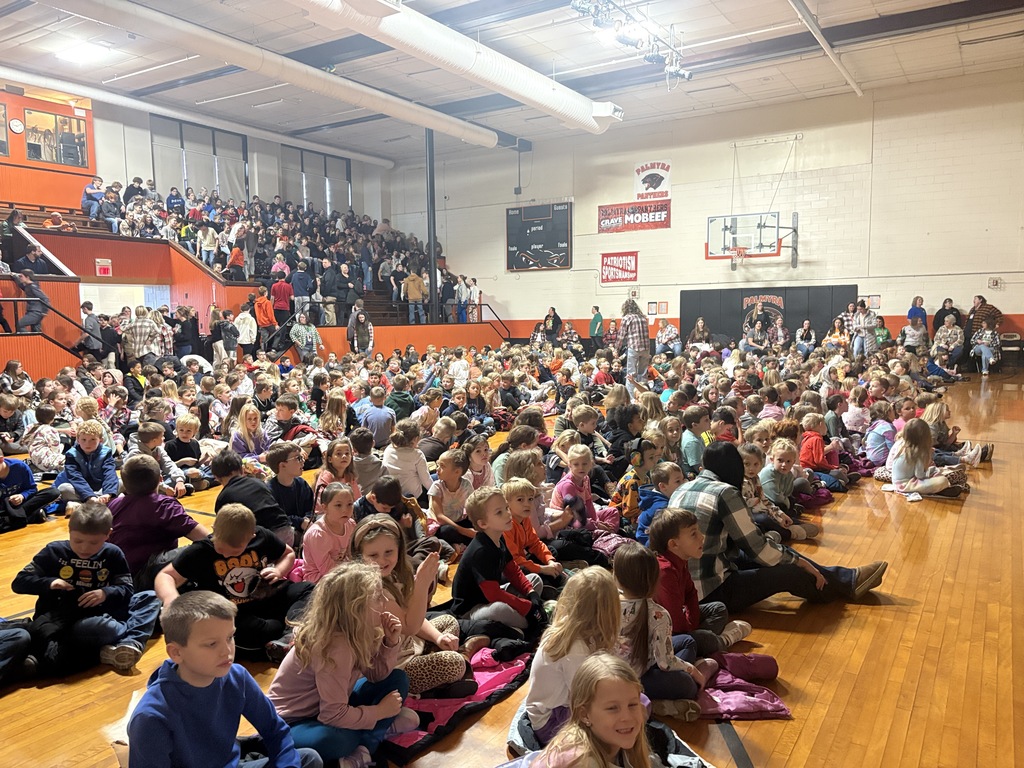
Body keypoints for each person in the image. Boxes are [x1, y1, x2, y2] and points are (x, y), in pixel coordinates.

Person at [671, 441, 888, 614]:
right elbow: (757, 548)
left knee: (782, 553)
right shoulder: (725, 492)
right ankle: (839, 586)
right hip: (709, 591)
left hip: (686, 586)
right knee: (789, 569)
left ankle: (845, 580)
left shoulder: (683, 489)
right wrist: (800, 562)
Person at [127, 591, 323, 768]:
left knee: (308, 758)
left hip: (231, 761)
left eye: (230, 637)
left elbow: (275, 730)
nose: (226, 651)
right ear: (176, 653)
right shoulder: (151, 716)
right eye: (211, 644)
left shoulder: (237, 676)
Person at [267, 561, 416, 763]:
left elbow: (377, 676)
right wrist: (380, 711)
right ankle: (368, 741)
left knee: (397, 679)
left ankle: (362, 746)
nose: (385, 600)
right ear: (355, 608)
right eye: (377, 597)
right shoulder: (334, 645)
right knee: (340, 739)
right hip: (293, 722)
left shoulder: (358, 631)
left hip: (327, 705)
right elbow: (333, 715)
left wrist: (390, 643)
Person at [12, 500, 160, 675]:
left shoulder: (113, 553)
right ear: (69, 531)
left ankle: (129, 644)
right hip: (70, 622)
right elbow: (19, 582)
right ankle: (129, 636)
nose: (84, 548)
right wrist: (50, 583)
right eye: (78, 540)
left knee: (151, 596)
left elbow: (127, 589)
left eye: (93, 543)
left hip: (102, 613)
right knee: (102, 628)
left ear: (108, 535)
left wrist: (105, 593)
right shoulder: (53, 551)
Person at [154, 503, 313, 659]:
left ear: (252, 536)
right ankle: (287, 633)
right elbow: (165, 575)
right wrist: (170, 599)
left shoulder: (262, 536)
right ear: (214, 531)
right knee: (249, 632)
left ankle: (288, 635)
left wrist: (279, 570)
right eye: (220, 549)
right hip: (234, 612)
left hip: (265, 596)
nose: (226, 554)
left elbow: (288, 553)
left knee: (308, 590)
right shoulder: (201, 550)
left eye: (235, 551)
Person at [352, 514, 476, 697]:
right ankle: (428, 688)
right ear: (359, 556)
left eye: (388, 552)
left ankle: (437, 665)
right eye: (373, 555)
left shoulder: (393, 575)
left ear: (399, 549)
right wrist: (421, 584)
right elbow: (410, 626)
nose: (382, 561)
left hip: (408, 645)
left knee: (449, 622)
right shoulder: (372, 591)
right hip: (392, 667)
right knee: (454, 664)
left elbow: (414, 619)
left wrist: (438, 638)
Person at [522, 567, 620, 745]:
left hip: (556, 709)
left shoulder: (573, 630)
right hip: (552, 721)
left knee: (632, 704)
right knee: (619, 716)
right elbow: (584, 697)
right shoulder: (575, 648)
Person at [612, 542, 709, 716]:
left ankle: (646, 700)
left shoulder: (608, 603)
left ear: (616, 576)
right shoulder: (658, 614)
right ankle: (652, 704)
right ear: (655, 579)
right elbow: (666, 663)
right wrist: (691, 669)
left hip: (612, 674)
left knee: (687, 641)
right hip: (635, 680)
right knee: (688, 684)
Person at [649, 507, 752, 659]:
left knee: (718, 608)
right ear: (673, 544)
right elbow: (675, 624)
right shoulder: (665, 571)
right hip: (663, 634)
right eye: (693, 534)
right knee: (703, 638)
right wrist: (692, 630)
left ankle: (707, 644)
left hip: (677, 624)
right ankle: (721, 641)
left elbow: (691, 594)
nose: (702, 537)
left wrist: (693, 623)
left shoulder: (680, 561)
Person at [450, 486, 547, 635]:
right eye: (499, 512)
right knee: (500, 610)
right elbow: (493, 595)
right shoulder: (481, 551)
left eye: (506, 508)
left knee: (535, 580)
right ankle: (532, 625)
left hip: (492, 597)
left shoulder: (499, 536)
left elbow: (513, 570)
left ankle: (523, 621)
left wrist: (531, 593)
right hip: (473, 609)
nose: (508, 514)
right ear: (483, 524)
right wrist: (527, 607)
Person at [891, 418, 967, 498]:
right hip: (906, 485)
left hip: (898, 483)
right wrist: (929, 471)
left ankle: (941, 488)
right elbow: (920, 475)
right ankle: (941, 489)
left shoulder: (901, 445)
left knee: (936, 473)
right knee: (942, 480)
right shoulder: (919, 452)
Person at [54, 419, 119, 513]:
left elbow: (110, 474)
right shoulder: (71, 454)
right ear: (78, 439)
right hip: (80, 489)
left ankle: (82, 506)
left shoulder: (106, 452)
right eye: (83, 440)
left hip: (101, 489)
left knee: (121, 483)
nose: (87, 443)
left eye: (92, 440)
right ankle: (104, 504)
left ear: (100, 440)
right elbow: (75, 477)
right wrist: (89, 496)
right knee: (64, 488)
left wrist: (108, 493)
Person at [615, 299, 650, 398]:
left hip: (634, 347)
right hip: (646, 348)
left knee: (631, 375)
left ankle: (631, 398)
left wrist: (616, 350)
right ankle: (644, 396)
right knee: (643, 374)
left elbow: (621, 336)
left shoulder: (627, 318)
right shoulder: (643, 318)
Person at [14, 269, 49, 334]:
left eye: (21, 276)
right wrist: (15, 277)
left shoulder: (33, 287)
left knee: (19, 325)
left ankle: (28, 338)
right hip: (34, 311)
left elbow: (45, 298)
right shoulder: (28, 286)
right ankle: (37, 342)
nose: (20, 278)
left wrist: (45, 311)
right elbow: (22, 287)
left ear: (27, 277)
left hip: (35, 312)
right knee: (36, 330)